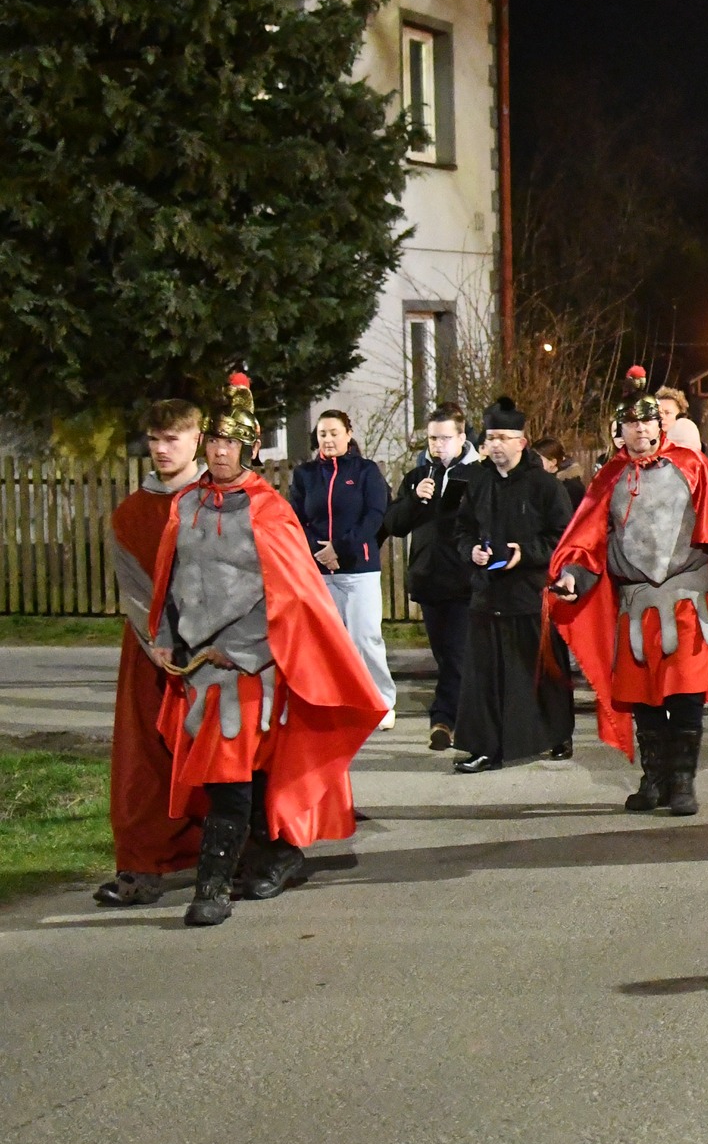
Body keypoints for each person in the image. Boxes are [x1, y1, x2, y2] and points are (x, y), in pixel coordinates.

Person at [147, 374, 386, 926]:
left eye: (230, 443)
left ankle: (211, 890)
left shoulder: (269, 510)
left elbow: (293, 596)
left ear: (250, 448)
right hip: (197, 671)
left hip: (250, 671)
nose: (219, 451)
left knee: (231, 779)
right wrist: (164, 639)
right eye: (213, 441)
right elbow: (170, 581)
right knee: (238, 777)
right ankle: (278, 853)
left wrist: (249, 653)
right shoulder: (185, 505)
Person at [550, 367, 708, 814]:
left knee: (684, 691)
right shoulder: (608, 478)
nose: (641, 428)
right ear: (619, 429)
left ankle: (683, 782)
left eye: (648, 421)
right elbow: (589, 539)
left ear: (660, 425)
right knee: (642, 695)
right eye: (632, 422)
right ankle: (656, 779)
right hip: (636, 604)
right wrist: (573, 575)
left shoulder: (694, 466)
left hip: (687, 599)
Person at [95, 399, 206, 906]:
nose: (162, 450)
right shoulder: (131, 512)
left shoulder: (221, 501)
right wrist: (158, 641)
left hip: (216, 650)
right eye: (156, 440)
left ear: (197, 440)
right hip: (150, 653)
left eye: (173, 439)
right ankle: (143, 866)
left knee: (220, 754)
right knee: (145, 761)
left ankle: (235, 854)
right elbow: (135, 589)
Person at [450, 397, 576, 771]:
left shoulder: (545, 486)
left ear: (522, 442)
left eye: (504, 437)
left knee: (540, 671)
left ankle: (556, 733)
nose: (496, 445)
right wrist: (471, 550)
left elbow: (564, 537)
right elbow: (462, 530)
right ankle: (484, 746)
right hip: (487, 591)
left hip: (531, 592)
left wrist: (528, 553)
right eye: (490, 438)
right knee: (483, 675)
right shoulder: (477, 482)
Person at [287, 409, 397, 728]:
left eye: (334, 432)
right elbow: (295, 519)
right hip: (320, 571)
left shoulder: (366, 472)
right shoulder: (305, 475)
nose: (328, 439)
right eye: (323, 434)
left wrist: (342, 549)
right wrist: (320, 552)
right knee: (329, 642)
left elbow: (375, 515)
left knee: (365, 638)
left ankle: (381, 702)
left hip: (359, 569)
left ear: (348, 434)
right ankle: (336, 702)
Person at [382, 403, 480, 751]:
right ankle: (463, 718)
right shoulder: (417, 476)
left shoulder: (477, 475)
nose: (438, 446)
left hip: (466, 582)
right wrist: (414, 499)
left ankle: (443, 720)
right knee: (448, 655)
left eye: (445, 438)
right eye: (433, 439)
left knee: (457, 654)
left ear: (461, 437)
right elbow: (394, 524)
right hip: (429, 580)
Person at [533, 437, 587, 507]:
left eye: (537, 458)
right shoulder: (535, 480)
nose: (533, 462)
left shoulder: (571, 487)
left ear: (553, 462)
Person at [655, 386, 704, 452]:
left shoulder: (692, 449)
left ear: (680, 415)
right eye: (658, 413)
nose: (662, 417)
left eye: (667, 413)